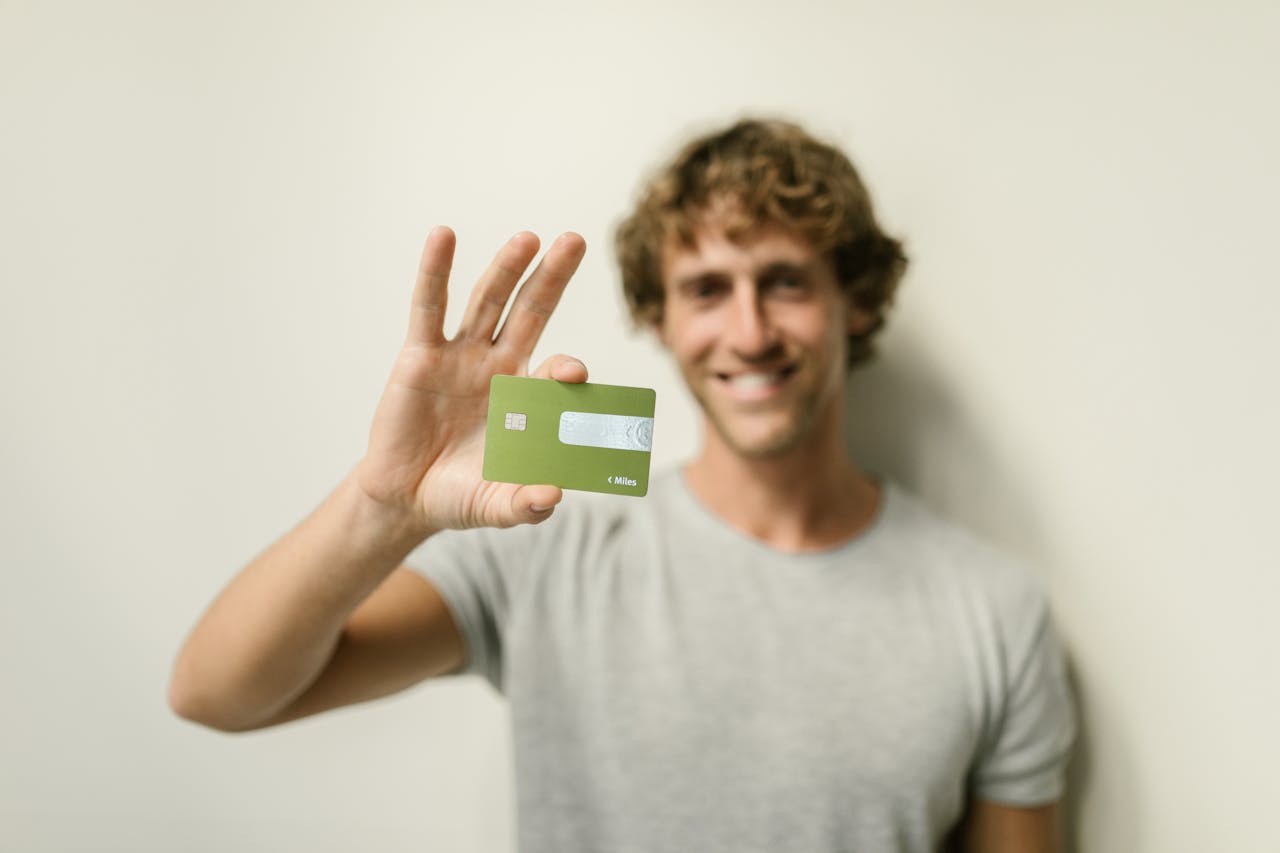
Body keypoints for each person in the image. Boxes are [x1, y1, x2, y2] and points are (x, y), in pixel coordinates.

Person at [169, 118, 1075, 852]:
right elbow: (218, 692)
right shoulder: (551, 549)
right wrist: (383, 505)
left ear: (859, 301)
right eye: (708, 289)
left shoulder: (991, 608)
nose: (750, 329)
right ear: (659, 318)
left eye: (786, 281)